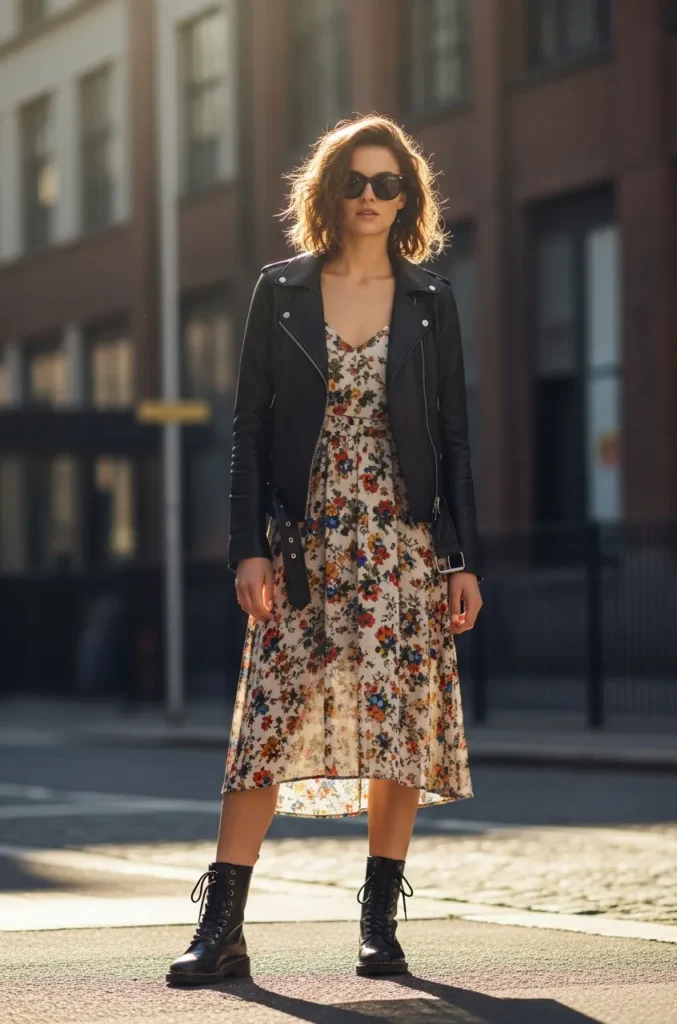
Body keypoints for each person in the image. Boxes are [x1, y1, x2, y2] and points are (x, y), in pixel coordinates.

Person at [167, 114, 483, 987]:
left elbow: (453, 435)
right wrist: (249, 549)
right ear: (330, 193)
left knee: (397, 733)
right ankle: (221, 926)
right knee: (264, 728)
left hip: (403, 545)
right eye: (357, 182)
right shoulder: (280, 292)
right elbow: (248, 432)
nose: (373, 197)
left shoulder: (430, 301)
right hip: (306, 543)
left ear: (407, 196)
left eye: (390, 184)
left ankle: (379, 924)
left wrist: (461, 558)